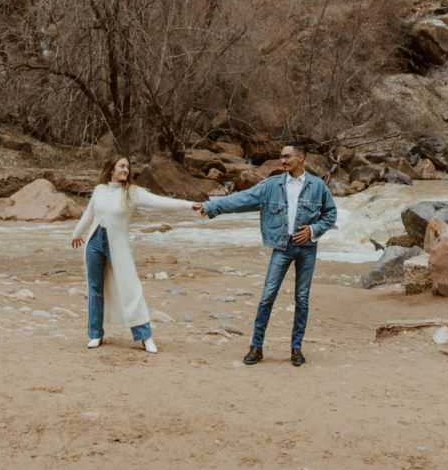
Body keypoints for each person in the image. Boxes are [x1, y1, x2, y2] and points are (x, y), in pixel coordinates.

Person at [199, 144, 336, 366]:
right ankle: (256, 347)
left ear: (300, 158)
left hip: (308, 249)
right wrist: (212, 206)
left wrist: (313, 230)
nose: (283, 160)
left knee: (302, 298)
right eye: (281, 157)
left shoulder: (318, 186)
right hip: (282, 247)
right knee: (267, 296)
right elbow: (241, 199)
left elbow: (330, 214)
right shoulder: (272, 185)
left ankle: (296, 349)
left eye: (287, 156)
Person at [70, 154, 195, 354]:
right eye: (122, 166)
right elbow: (89, 214)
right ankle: (95, 334)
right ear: (111, 169)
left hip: (116, 245)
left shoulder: (132, 192)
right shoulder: (100, 190)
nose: (126, 170)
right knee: (94, 288)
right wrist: (77, 233)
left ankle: (145, 336)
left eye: (127, 167)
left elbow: (161, 202)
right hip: (94, 242)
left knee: (130, 288)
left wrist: (190, 206)